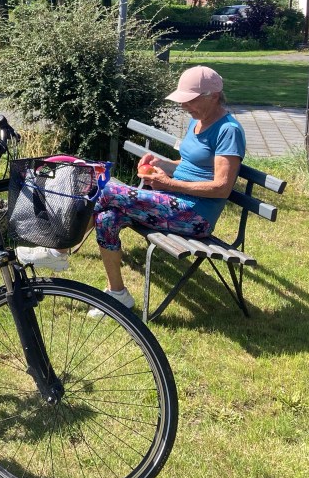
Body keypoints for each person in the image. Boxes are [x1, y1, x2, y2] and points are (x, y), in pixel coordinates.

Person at [87, 65, 246, 316]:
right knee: (107, 218)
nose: (184, 106)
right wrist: (162, 165)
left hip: (195, 217)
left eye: (190, 100)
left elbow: (221, 188)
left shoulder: (229, 130)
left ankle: (58, 250)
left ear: (213, 96)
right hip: (172, 203)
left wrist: (168, 184)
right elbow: (189, 164)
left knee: (106, 191)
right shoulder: (197, 121)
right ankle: (117, 294)